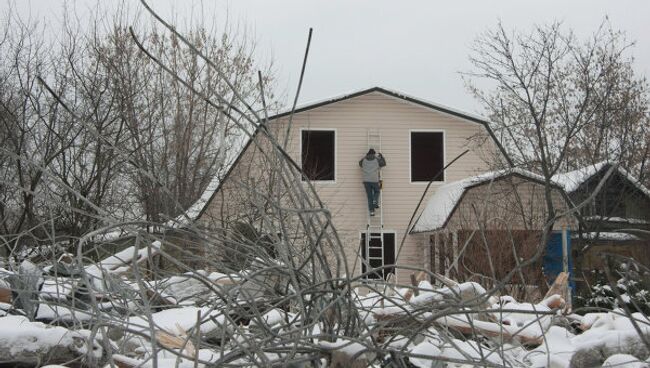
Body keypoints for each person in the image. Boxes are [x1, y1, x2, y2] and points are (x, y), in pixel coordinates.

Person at [359, 148, 386, 216]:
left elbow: (360, 163)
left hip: (366, 181)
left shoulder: (364, 160)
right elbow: (384, 164)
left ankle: (372, 211)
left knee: (369, 196)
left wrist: (365, 157)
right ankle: (375, 201)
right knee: (377, 191)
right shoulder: (376, 159)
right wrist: (381, 157)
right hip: (374, 180)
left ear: (368, 153)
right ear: (374, 154)